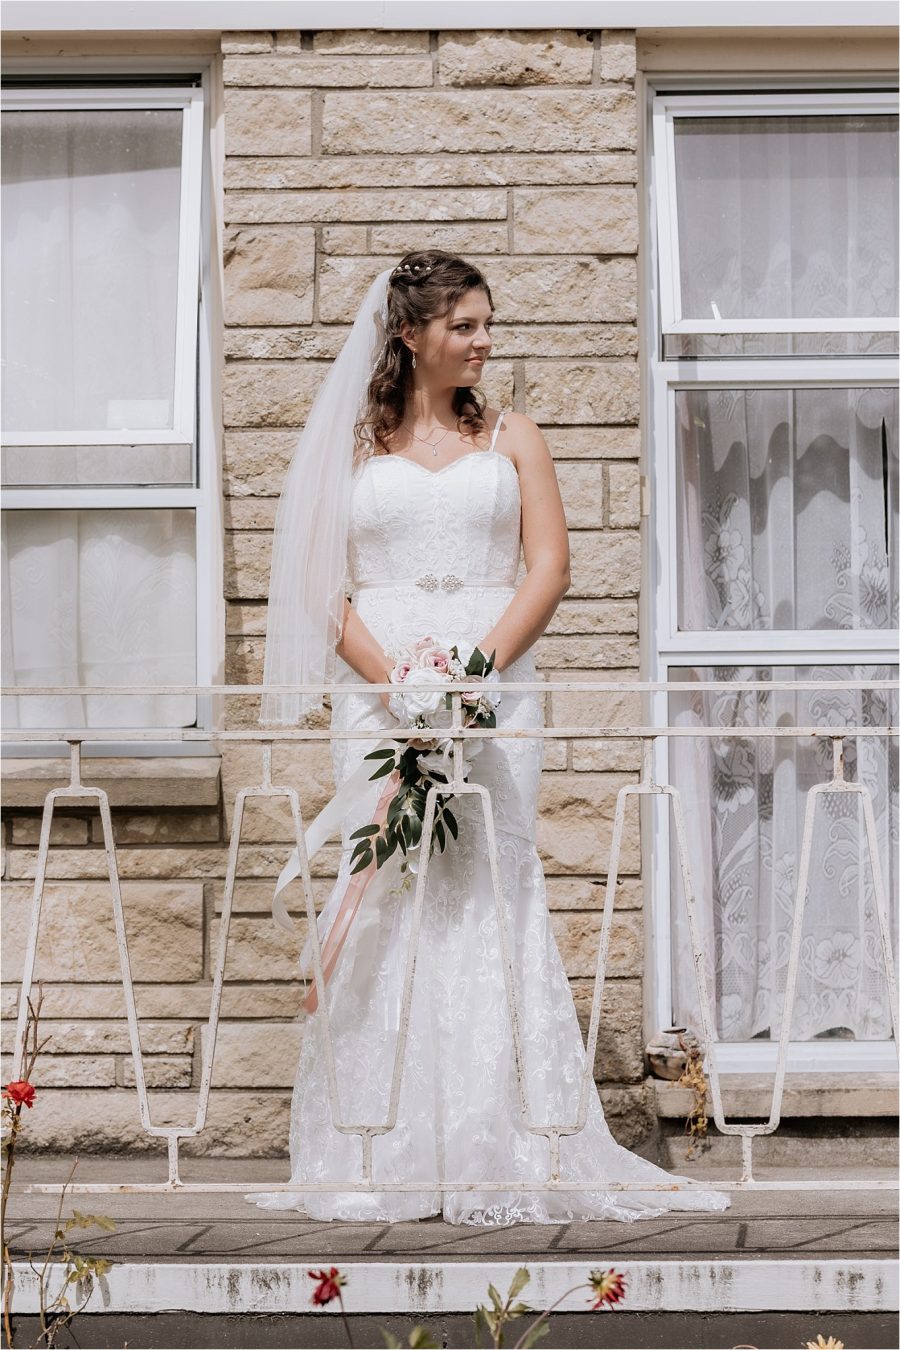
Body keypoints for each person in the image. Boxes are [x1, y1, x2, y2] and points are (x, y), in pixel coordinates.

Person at [247, 250, 729, 1225]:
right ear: (409, 335)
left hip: (496, 696)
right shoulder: (351, 448)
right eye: (464, 324)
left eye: (485, 323)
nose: (483, 340)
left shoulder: (517, 436)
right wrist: (401, 689)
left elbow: (547, 569)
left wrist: (473, 682)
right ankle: (377, 1144)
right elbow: (314, 586)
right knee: (390, 892)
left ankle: (507, 1136)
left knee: (491, 891)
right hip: (380, 696)